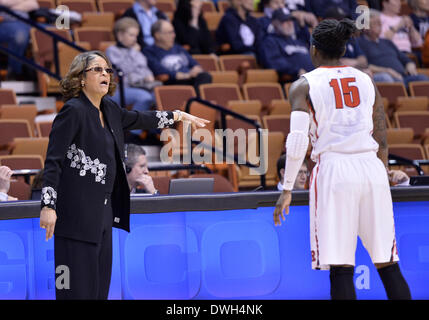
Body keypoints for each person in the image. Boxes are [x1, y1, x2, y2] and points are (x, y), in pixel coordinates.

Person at [39, 50, 209, 300]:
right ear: (81, 78)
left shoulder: (109, 108)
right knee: (75, 291)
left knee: (98, 291)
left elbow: (140, 118)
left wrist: (177, 116)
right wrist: (48, 205)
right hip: (75, 216)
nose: (105, 74)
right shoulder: (72, 111)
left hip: (103, 215)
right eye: (97, 69)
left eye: (107, 70)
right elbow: (53, 161)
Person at [273, 19, 411, 300]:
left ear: (313, 50)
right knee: (387, 262)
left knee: (341, 267)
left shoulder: (303, 85)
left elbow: (297, 141)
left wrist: (287, 188)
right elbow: (381, 134)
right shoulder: (367, 79)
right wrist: (381, 172)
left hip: (334, 170)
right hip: (371, 166)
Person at [106, 17, 162, 136]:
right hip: (119, 89)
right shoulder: (112, 51)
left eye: (136, 36)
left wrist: (149, 76)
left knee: (159, 96)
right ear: (120, 35)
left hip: (141, 86)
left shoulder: (137, 51)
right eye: (131, 35)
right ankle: (134, 133)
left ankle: (155, 130)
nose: (135, 39)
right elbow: (123, 70)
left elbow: (145, 68)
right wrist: (133, 53)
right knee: (145, 97)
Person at [357, 9, 429, 86]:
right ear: (365, 27)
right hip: (384, 77)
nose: (380, 25)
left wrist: (410, 64)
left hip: (404, 76)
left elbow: (404, 58)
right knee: (386, 78)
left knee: (423, 79)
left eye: (380, 23)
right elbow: (362, 65)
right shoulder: (359, 42)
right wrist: (387, 71)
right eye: (375, 23)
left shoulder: (387, 42)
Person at [143, 20, 212, 94]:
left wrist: (195, 70)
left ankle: (198, 101)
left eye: (173, 32)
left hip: (190, 79)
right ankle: (198, 101)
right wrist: (186, 75)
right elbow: (160, 71)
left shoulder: (179, 48)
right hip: (173, 82)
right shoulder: (149, 51)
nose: (174, 35)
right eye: (170, 32)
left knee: (205, 76)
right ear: (157, 35)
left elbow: (195, 64)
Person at [257, 9, 314, 81]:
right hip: (295, 82)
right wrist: (296, 71)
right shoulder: (270, 41)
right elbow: (274, 62)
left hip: (314, 81)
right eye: (285, 21)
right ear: (275, 23)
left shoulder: (298, 41)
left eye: (291, 20)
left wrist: (302, 25)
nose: (289, 23)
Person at [0, 0, 39, 79]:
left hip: (27, 22)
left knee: (54, 32)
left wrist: (10, 7)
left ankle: (36, 73)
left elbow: (34, 5)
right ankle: (14, 72)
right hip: (5, 22)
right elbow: (3, 2)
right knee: (20, 37)